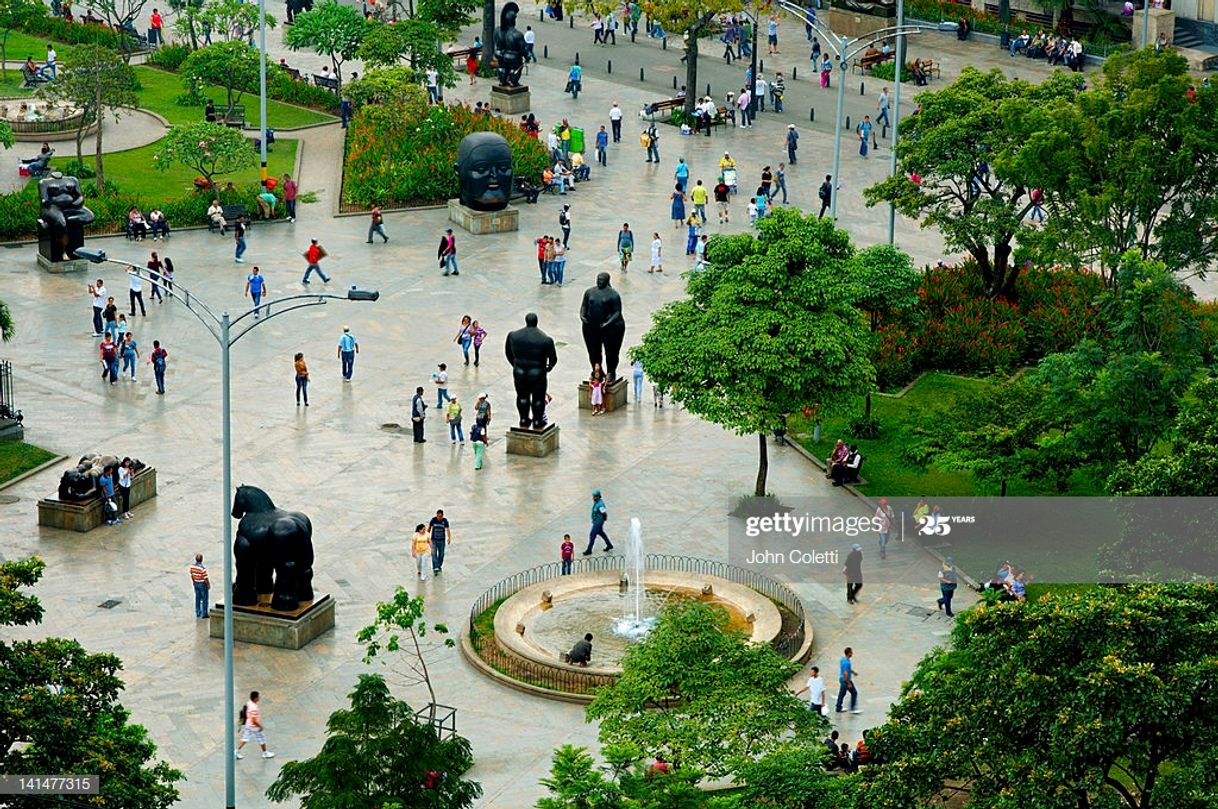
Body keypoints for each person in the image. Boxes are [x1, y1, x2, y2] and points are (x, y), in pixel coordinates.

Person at [235, 691, 274, 759]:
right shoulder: (254, 708)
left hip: (248, 724)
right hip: (254, 727)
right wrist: (260, 726)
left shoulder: (249, 703)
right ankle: (265, 753)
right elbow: (254, 720)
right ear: (255, 698)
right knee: (261, 739)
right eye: (258, 697)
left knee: (245, 738)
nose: (259, 698)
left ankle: (236, 751)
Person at [583, 489, 613, 554]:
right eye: (593, 496)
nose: (593, 497)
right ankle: (609, 545)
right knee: (601, 533)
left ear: (598, 496)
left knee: (592, 535)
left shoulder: (600, 504)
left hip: (598, 522)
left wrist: (602, 520)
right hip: (596, 521)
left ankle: (589, 549)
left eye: (595, 496)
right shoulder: (596, 502)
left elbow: (604, 513)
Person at [835, 647, 861, 713]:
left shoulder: (842, 659)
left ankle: (838, 707)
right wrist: (848, 683)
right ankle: (852, 708)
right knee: (854, 692)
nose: (852, 653)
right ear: (849, 653)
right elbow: (845, 673)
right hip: (845, 680)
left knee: (842, 693)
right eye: (851, 652)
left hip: (841, 679)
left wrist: (853, 672)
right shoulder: (847, 663)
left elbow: (846, 669)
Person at [428, 509, 451, 575]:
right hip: (434, 540)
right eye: (438, 516)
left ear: (442, 516)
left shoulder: (445, 521)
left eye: (440, 516)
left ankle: (439, 566)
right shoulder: (433, 520)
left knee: (441, 554)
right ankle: (435, 567)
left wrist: (449, 538)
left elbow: (448, 530)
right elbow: (429, 528)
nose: (439, 518)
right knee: (434, 553)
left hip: (442, 540)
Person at [189, 553, 209, 618]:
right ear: (202, 560)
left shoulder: (192, 567)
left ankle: (198, 612)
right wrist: (208, 584)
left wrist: (194, 582)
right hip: (202, 584)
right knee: (204, 598)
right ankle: (204, 613)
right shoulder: (202, 568)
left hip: (196, 583)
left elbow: (192, 575)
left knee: (197, 598)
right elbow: (205, 578)